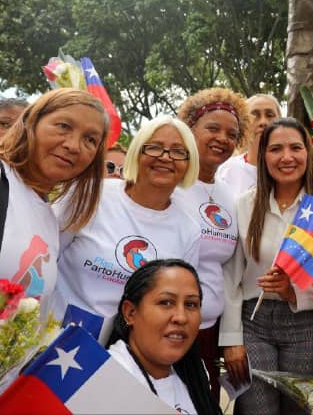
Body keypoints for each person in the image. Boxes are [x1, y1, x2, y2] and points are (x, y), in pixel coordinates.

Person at [0, 88, 108, 413]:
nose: (74, 145)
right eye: (63, 126)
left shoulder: (48, 217)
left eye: (91, 140)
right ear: (30, 123)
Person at [220, 117, 313, 415]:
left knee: (297, 411)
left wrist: (294, 292)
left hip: (308, 326)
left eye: (295, 148)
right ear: (263, 156)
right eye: (276, 149)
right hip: (253, 322)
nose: (286, 157)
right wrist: (231, 339)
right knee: (256, 409)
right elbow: (230, 276)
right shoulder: (243, 205)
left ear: (308, 154)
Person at [53, 116, 201, 328]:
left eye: (178, 152)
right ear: (136, 153)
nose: (166, 158)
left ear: (189, 163)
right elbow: (45, 255)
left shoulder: (189, 230)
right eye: (154, 147)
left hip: (126, 350)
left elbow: (177, 298)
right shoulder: (90, 194)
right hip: (53, 336)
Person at [174, 88, 251, 400]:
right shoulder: (169, 183)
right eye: (212, 128)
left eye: (231, 134)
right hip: (168, 328)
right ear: (190, 129)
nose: (222, 138)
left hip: (210, 331)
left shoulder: (229, 196)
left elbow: (231, 268)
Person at [106, 259, 218, 414]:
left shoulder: (194, 381)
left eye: (191, 304)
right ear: (130, 312)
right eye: (166, 302)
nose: (181, 317)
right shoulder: (101, 379)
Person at [216, 94, 281, 198]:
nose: (263, 122)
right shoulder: (226, 170)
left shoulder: (292, 167)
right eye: (254, 115)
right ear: (243, 125)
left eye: (270, 115)